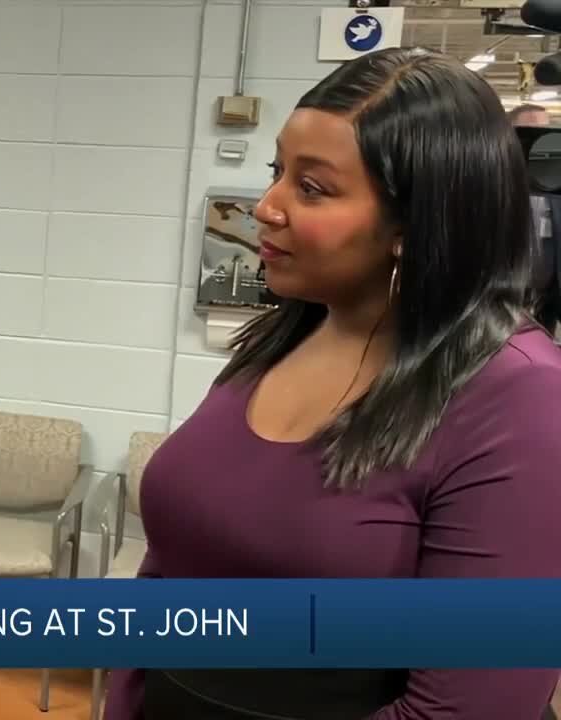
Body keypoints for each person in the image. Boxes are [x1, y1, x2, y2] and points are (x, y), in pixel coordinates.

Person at [104, 47, 561, 719]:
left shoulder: (516, 399)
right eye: (276, 172)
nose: (266, 206)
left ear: (414, 224)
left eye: (312, 188)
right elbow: (170, 566)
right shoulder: (285, 335)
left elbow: (466, 707)